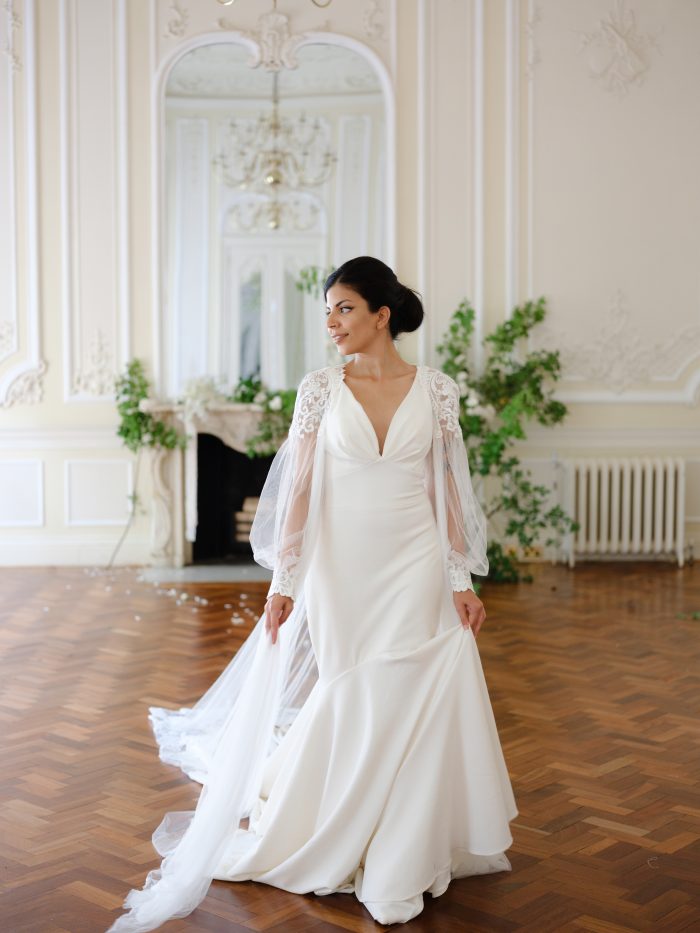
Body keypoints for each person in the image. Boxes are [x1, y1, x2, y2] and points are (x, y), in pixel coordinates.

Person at [107, 256, 518, 932]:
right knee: (356, 687)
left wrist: (459, 578)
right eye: (327, 310)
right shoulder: (319, 390)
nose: (331, 322)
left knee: (422, 690)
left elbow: (446, 489)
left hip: (416, 558)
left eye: (345, 308)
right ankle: (338, 825)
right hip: (343, 565)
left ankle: (401, 849)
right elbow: (297, 491)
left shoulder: (436, 390)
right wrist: (284, 584)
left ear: (382, 314)